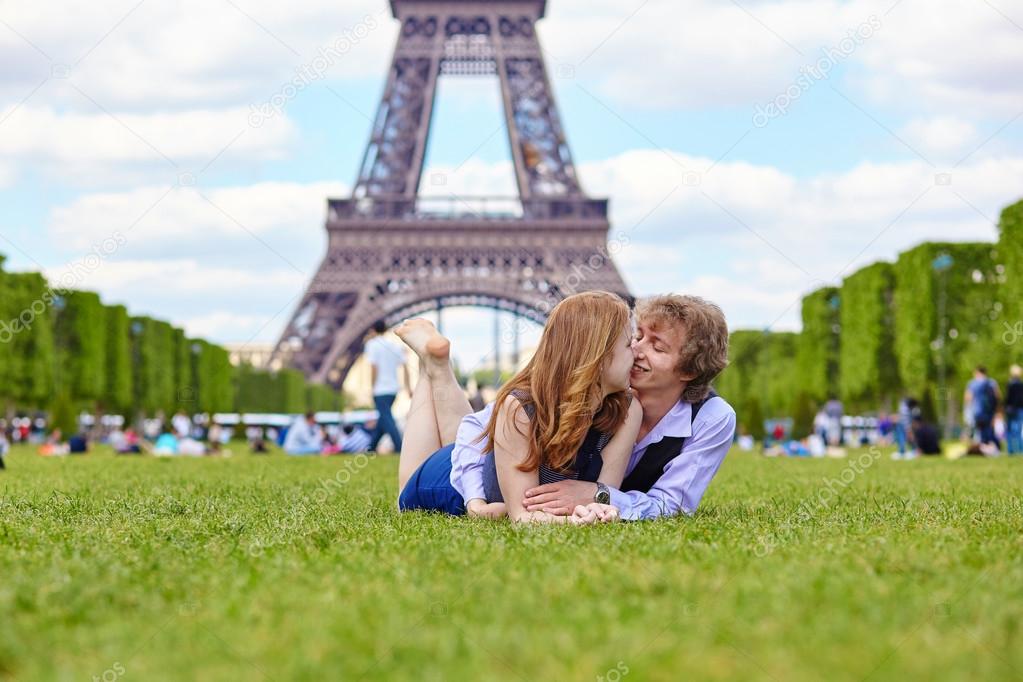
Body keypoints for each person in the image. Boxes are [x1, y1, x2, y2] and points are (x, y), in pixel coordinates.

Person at [396, 291, 641, 524]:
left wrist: (597, 511)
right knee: (404, 496)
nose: (638, 352)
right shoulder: (520, 408)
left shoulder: (629, 410)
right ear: (598, 356)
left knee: (464, 442)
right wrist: (574, 522)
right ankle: (428, 366)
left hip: (492, 460)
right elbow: (522, 517)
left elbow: (604, 493)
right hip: (446, 482)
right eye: (629, 344)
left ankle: (435, 363)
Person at [519, 294, 735, 521]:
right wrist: (476, 501)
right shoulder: (601, 386)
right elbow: (486, 428)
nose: (636, 350)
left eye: (658, 347)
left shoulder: (711, 418)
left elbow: (672, 504)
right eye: (638, 336)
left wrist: (598, 495)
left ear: (689, 371)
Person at [364, 321, 410, 453]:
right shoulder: (394, 346)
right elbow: (405, 365)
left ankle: (399, 447)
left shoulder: (372, 345)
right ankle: (371, 449)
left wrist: (372, 386)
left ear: (373, 330)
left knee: (387, 419)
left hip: (380, 389)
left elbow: (374, 367)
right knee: (383, 419)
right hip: (393, 389)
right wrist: (408, 387)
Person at [965, 366, 1001, 450]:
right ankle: (993, 447)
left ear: (977, 372)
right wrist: (998, 409)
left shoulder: (972, 383)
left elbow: (968, 397)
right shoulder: (992, 382)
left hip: (978, 411)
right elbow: (998, 396)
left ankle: (984, 447)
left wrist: (968, 410)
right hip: (990, 410)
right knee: (990, 429)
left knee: (980, 430)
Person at [1006, 364, 1023, 455]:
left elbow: (1008, 398)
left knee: (1010, 430)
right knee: (1019, 430)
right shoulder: (1021, 385)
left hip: (1012, 409)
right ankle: (1020, 449)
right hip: (1020, 409)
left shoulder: (1010, 384)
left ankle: (1010, 450)